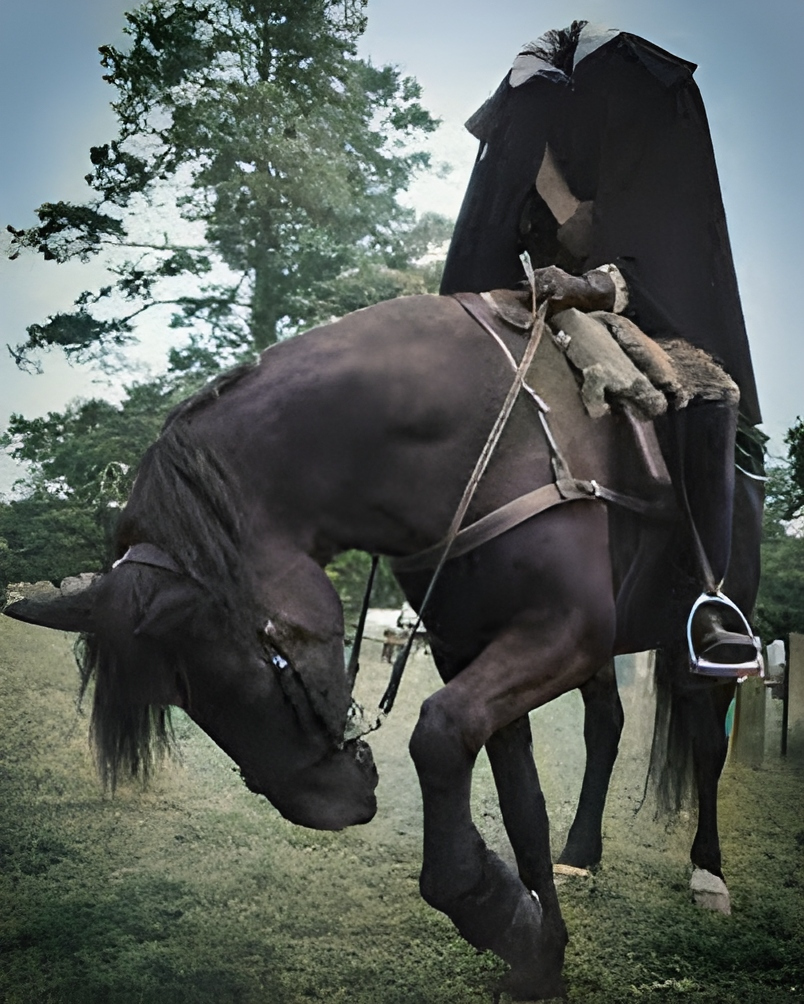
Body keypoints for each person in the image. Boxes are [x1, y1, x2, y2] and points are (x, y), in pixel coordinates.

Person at [440, 22, 762, 671]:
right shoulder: (533, 104)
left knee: (707, 389)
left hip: (629, 307)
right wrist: (558, 222)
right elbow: (513, 213)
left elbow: (657, 254)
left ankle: (710, 597)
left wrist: (590, 280)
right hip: (527, 299)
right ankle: (442, 575)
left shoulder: (645, 115)